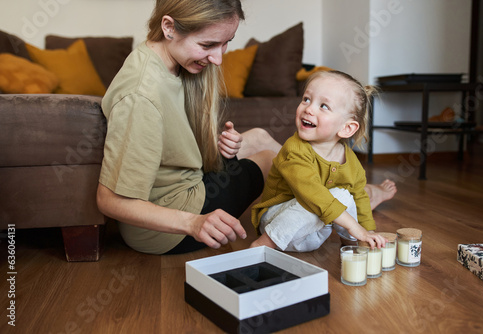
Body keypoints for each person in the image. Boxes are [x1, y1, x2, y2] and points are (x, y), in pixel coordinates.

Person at [96, 0, 279, 255]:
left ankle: (334, 189)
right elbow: (109, 201)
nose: (218, 58)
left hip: (189, 184)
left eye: (226, 42)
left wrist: (211, 145)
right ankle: (330, 205)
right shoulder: (141, 96)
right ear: (169, 27)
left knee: (259, 137)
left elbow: (167, 143)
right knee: (271, 160)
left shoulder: (166, 60)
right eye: (207, 45)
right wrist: (194, 223)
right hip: (167, 224)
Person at [250, 70, 390, 252]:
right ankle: (262, 245)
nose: (308, 108)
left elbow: (360, 197)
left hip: (314, 232)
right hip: (277, 225)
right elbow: (312, 193)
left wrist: (367, 232)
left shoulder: (351, 162)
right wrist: (354, 226)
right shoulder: (294, 149)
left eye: (323, 106)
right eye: (306, 99)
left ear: (347, 128)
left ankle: (353, 244)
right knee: (326, 197)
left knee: (346, 196)